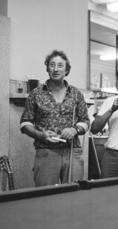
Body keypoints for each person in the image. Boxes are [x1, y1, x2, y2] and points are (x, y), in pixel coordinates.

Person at [20, 50, 90, 186]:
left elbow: (86, 121)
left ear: (66, 70)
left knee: (73, 198)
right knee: (45, 198)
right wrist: (40, 134)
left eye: (60, 65)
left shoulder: (76, 94)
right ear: (47, 68)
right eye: (52, 65)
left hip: (72, 152)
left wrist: (75, 130)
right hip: (46, 152)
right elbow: (25, 123)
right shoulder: (36, 94)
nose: (56, 69)